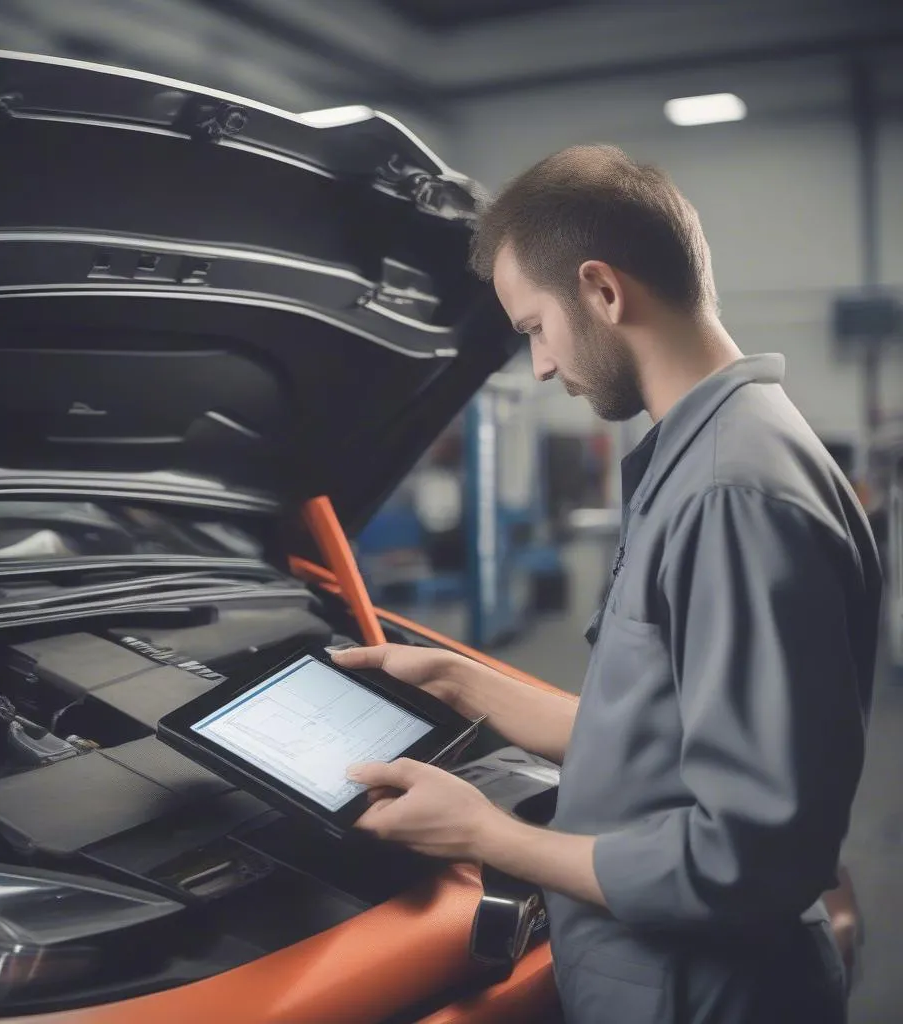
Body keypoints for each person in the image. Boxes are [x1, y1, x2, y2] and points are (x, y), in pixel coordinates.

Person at [332, 144, 881, 1024]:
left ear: (602, 290)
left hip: (703, 994)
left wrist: (487, 835)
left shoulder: (728, 492)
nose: (542, 367)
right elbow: (663, 737)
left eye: (535, 329)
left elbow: (746, 858)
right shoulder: (714, 452)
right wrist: (463, 682)